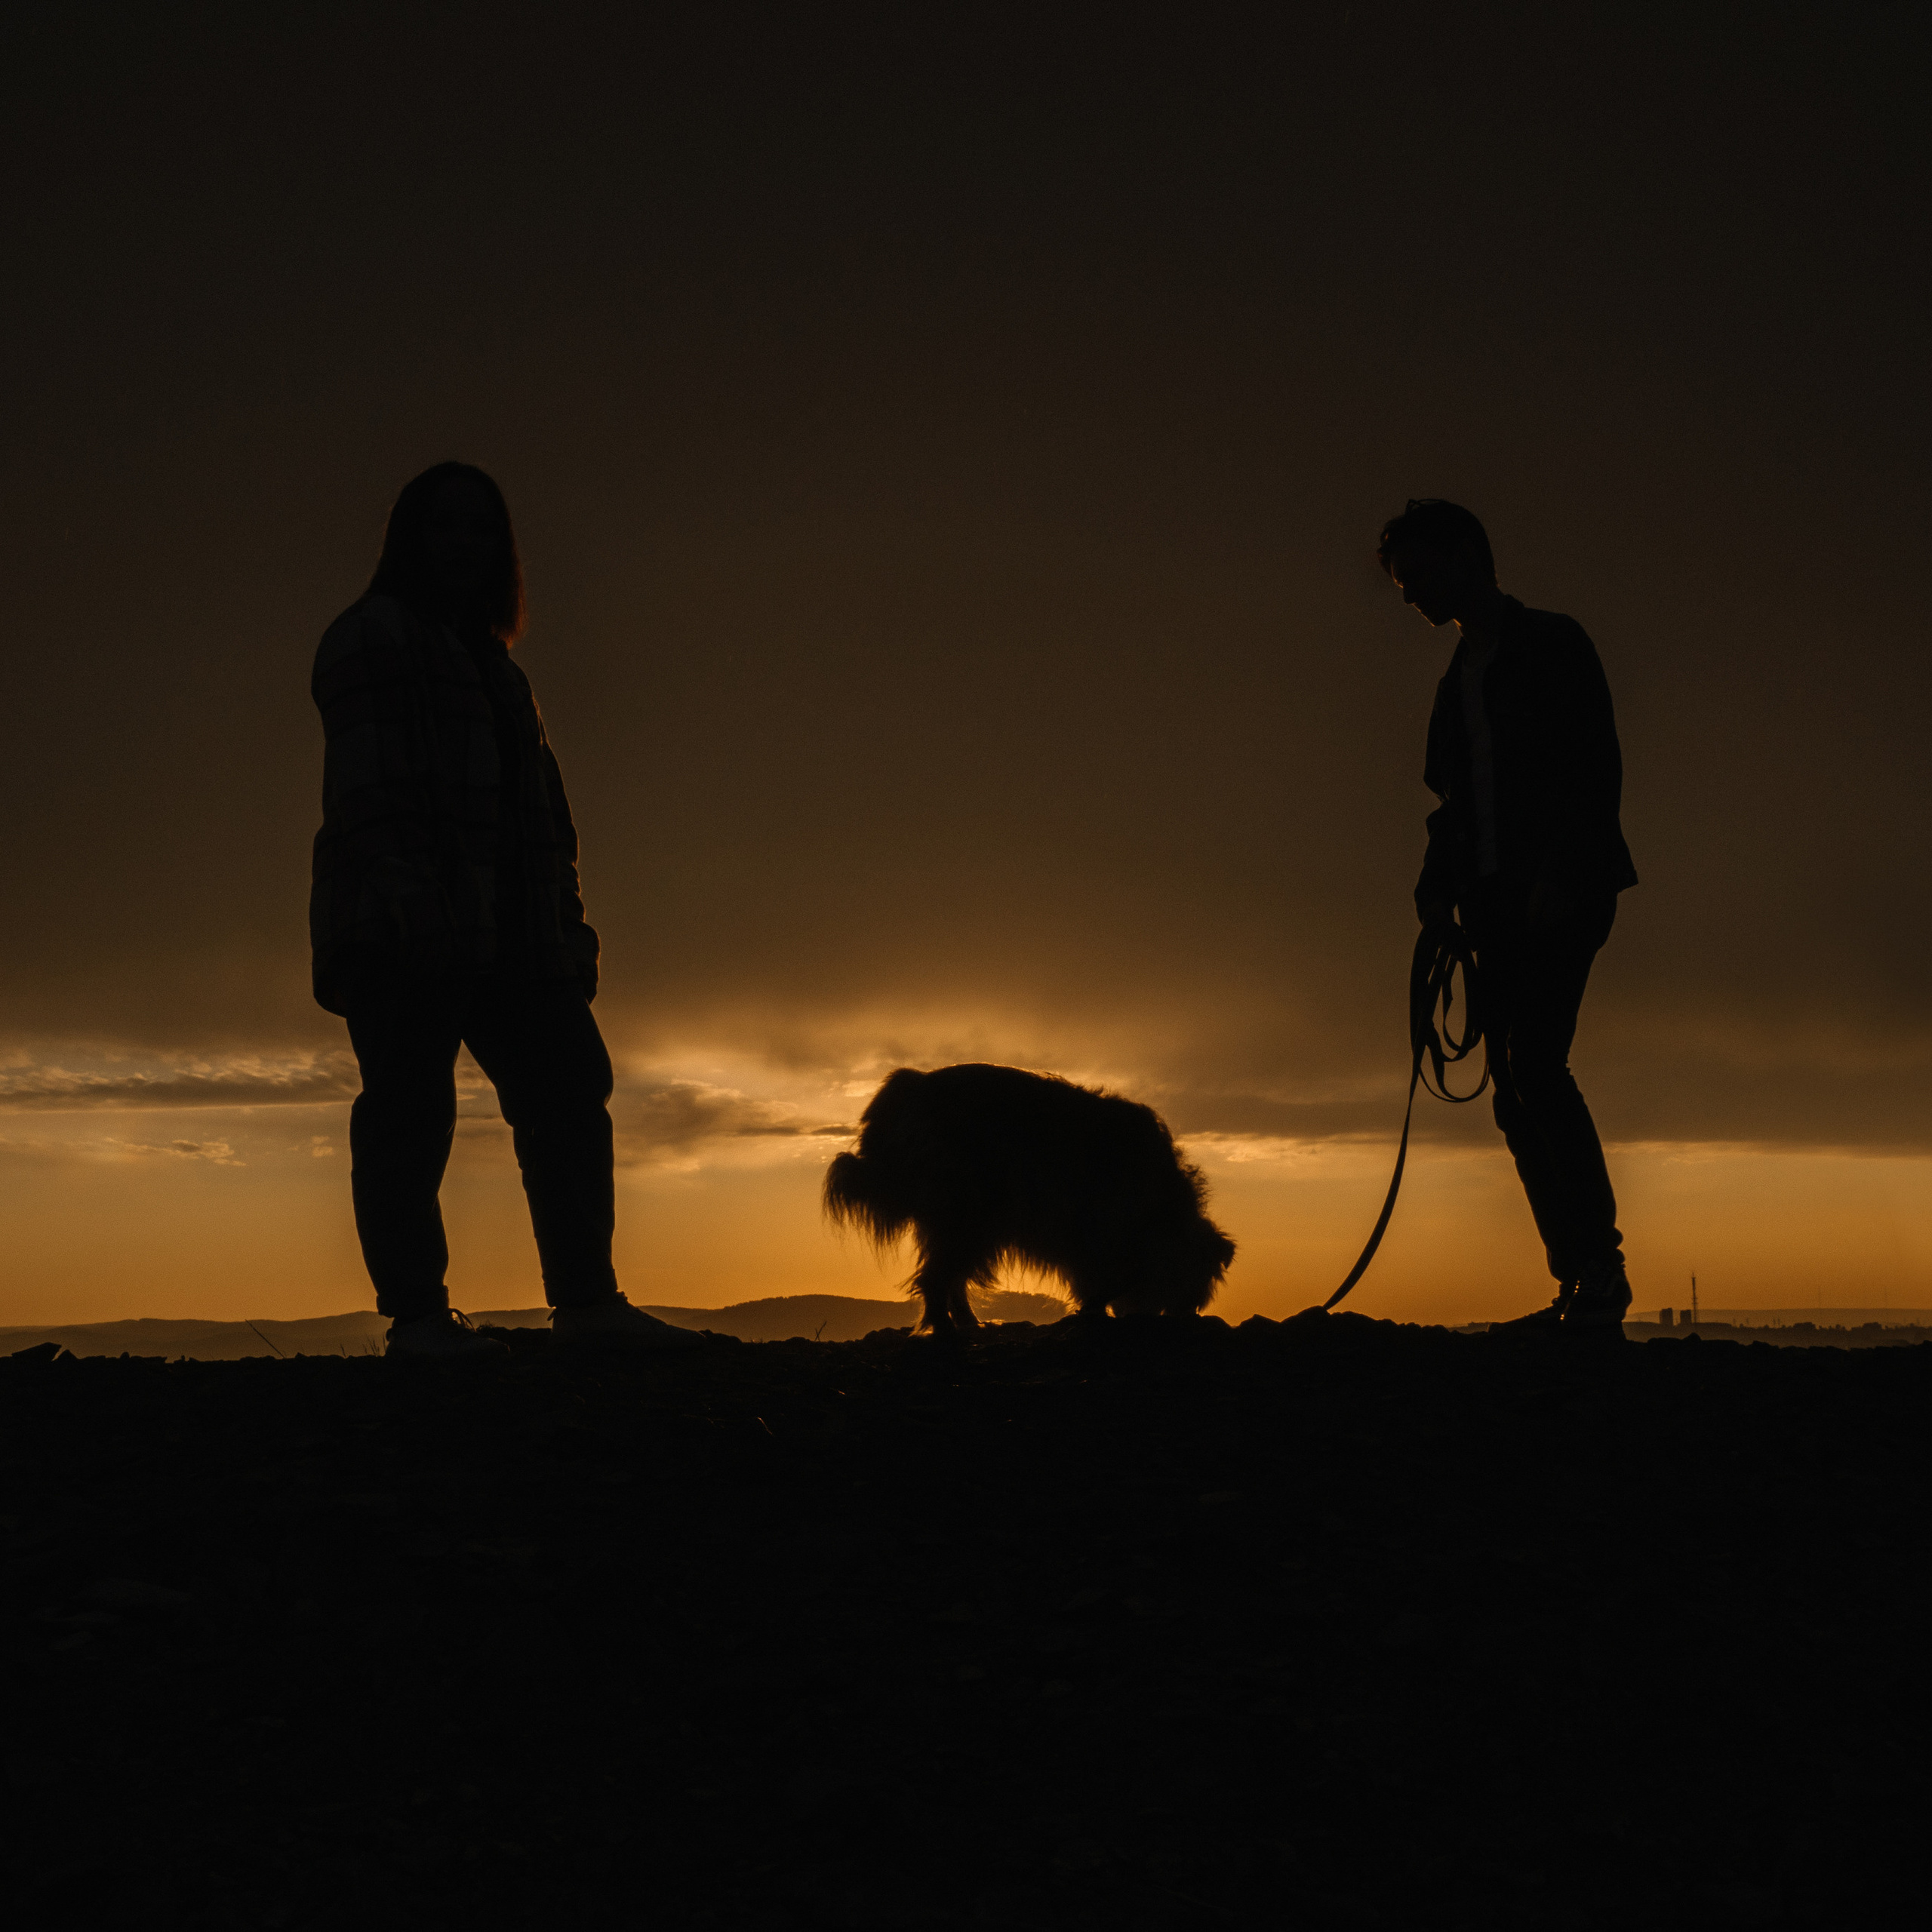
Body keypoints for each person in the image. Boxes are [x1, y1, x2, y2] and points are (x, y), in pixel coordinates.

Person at [309, 462, 700, 1358]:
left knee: (566, 1087)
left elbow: (543, 818)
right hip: (400, 929)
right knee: (411, 1111)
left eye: (481, 530)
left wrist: (564, 927)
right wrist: (414, 907)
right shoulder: (369, 638)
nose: (463, 545)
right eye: (446, 527)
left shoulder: (498, 670)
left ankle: (588, 1302)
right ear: (411, 538)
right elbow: (370, 797)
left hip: (514, 933)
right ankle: (417, 1319)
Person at [1378, 499, 1638, 1333]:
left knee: (1534, 1068)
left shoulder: (1554, 645)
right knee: (1514, 1088)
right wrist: (1435, 889)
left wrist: (1560, 874)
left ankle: (1596, 1272)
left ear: (1463, 556)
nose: (1410, 595)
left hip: (1559, 894)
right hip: (1494, 902)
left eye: (1416, 575)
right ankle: (1579, 1278)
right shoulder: (1456, 680)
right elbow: (1452, 806)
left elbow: (1591, 771)